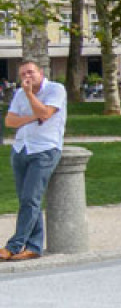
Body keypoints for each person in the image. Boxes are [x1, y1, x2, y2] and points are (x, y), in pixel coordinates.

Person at [4, 60, 67, 262]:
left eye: (30, 72)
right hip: (21, 148)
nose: (27, 77)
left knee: (31, 198)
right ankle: (33, 247)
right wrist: (31, 118)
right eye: (23, 74)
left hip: (44, 149)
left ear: (41, 72)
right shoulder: (19, 94)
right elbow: (9, 121)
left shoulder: (55, 90)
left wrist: (31, 95)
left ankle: (13, 245)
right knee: (28, 200)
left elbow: (45, 114)